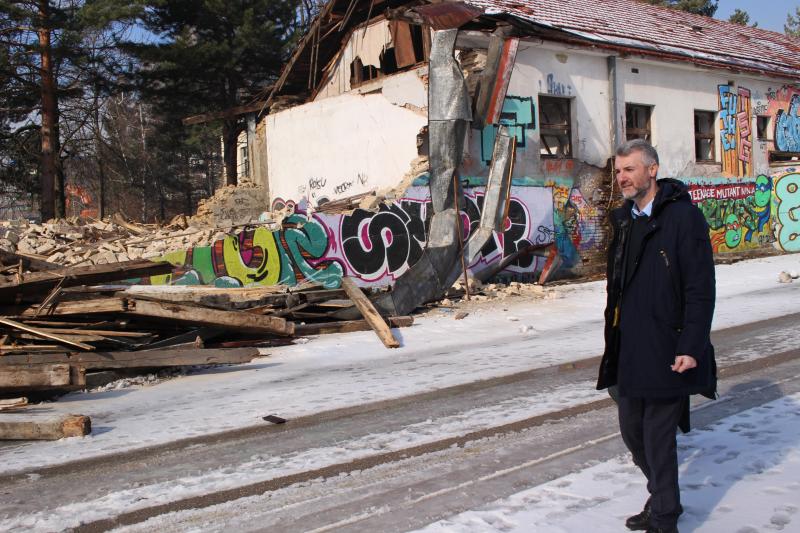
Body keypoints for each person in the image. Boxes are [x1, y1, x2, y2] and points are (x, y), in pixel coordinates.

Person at [597, 139, 717, 533]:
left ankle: (665, 519)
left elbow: (700, 288)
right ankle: (665, 497)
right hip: (630, 348)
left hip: (668, 347)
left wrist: (691, 346)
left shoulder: (683, 218)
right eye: (618, 171)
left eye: (629, 169)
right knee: (633, 432)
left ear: (652, 170)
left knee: (657, 437)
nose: (622, 177)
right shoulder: (624, 220)